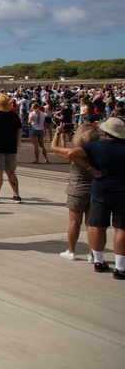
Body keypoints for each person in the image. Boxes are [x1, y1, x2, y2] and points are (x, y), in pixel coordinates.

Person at [63, 117, 125, 277]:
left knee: (98, 226)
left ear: (105, 132)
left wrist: (90, 168)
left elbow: (72, 154)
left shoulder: (95, 146)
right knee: (121, 228)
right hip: (121, 191)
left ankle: (98, 261)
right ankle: (120, 266)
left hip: (101, 190)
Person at [51, 125, 100, 260]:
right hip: (93, 189)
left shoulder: (74, 152)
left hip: (76, 189)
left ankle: (71, 251)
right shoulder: (99, 153)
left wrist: (58, 134)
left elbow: (54, 149)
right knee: (91, 223)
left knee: (74, 222)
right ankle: (93, 254)